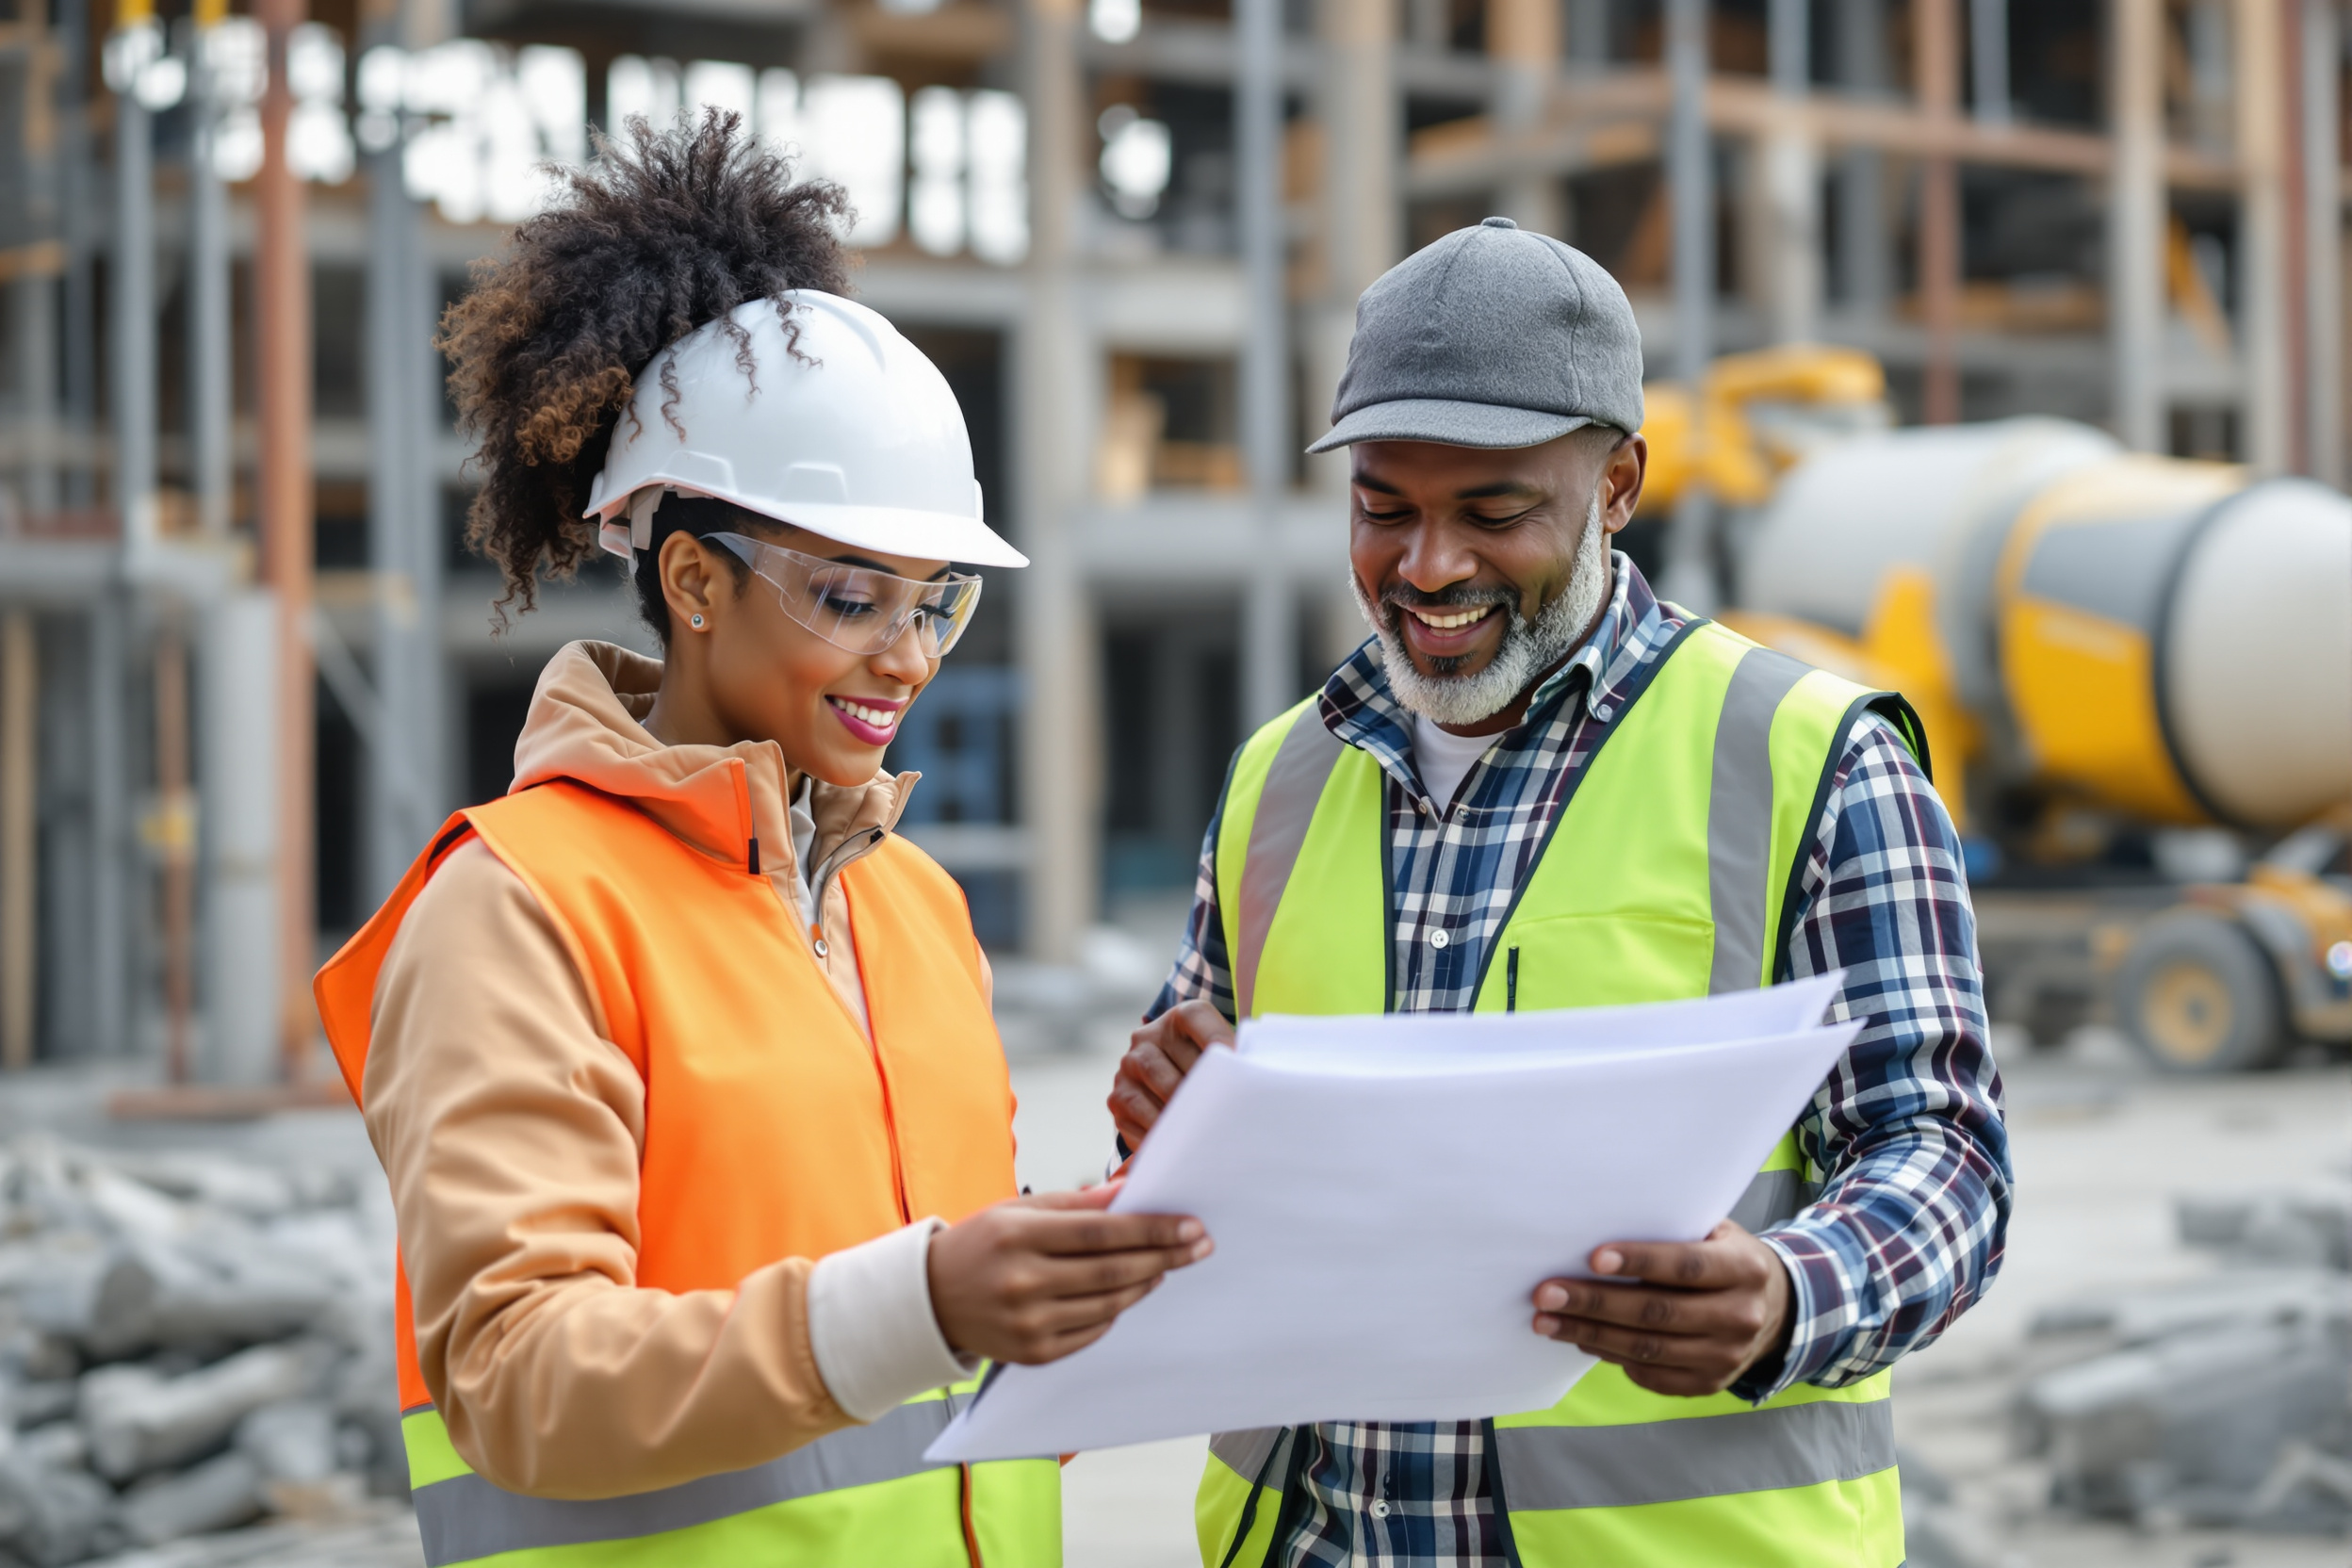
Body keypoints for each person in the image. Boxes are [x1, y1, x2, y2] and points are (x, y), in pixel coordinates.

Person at [315, 116, 1208, 1568]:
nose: (908, 659)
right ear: (690, 581)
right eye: (850, 597)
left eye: (934, 603)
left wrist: (1114, 1235)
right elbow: (517, 1377)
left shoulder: (914, 911)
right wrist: (925, 1301)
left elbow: (914, 1293)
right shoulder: (518, 908)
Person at [1110, 218, 2013, 1568]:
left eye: (1493, 512)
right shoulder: (1274, 784)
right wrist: (1173, 1132)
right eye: (1382, 509)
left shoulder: (1811, 763)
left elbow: (1947, 1160)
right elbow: (1200, 1183)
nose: (1427, 568)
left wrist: (1783, 1294)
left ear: (1620, 486)